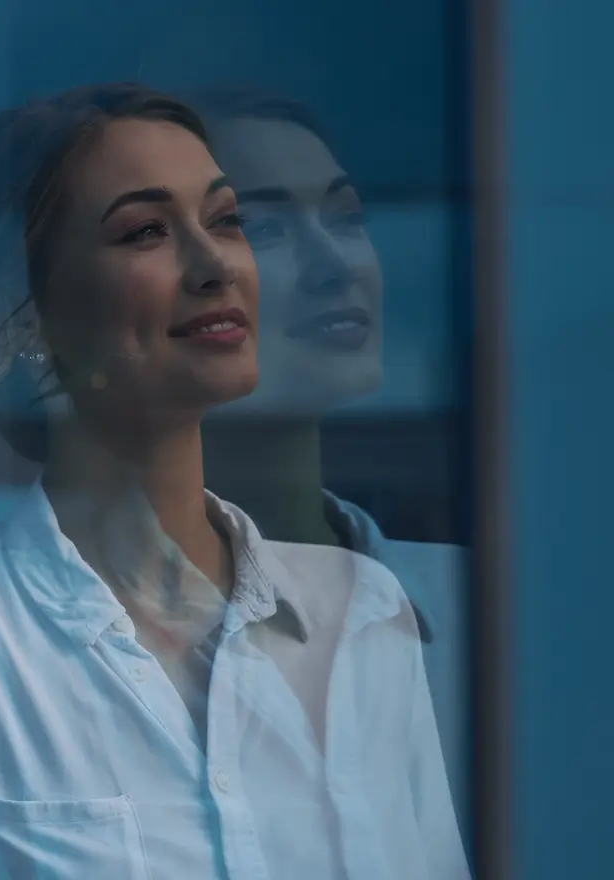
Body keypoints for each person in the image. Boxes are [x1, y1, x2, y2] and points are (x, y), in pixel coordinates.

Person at [0, 82, 465, 878]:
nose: (215, 265)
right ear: (27, 314)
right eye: (145, 232)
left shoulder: (366, 613)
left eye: (226, 221)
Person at [192, 87, 472, 820]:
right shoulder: (95, 630)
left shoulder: (491, 612)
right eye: (263, 227)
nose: (334, 264)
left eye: (346, 219)